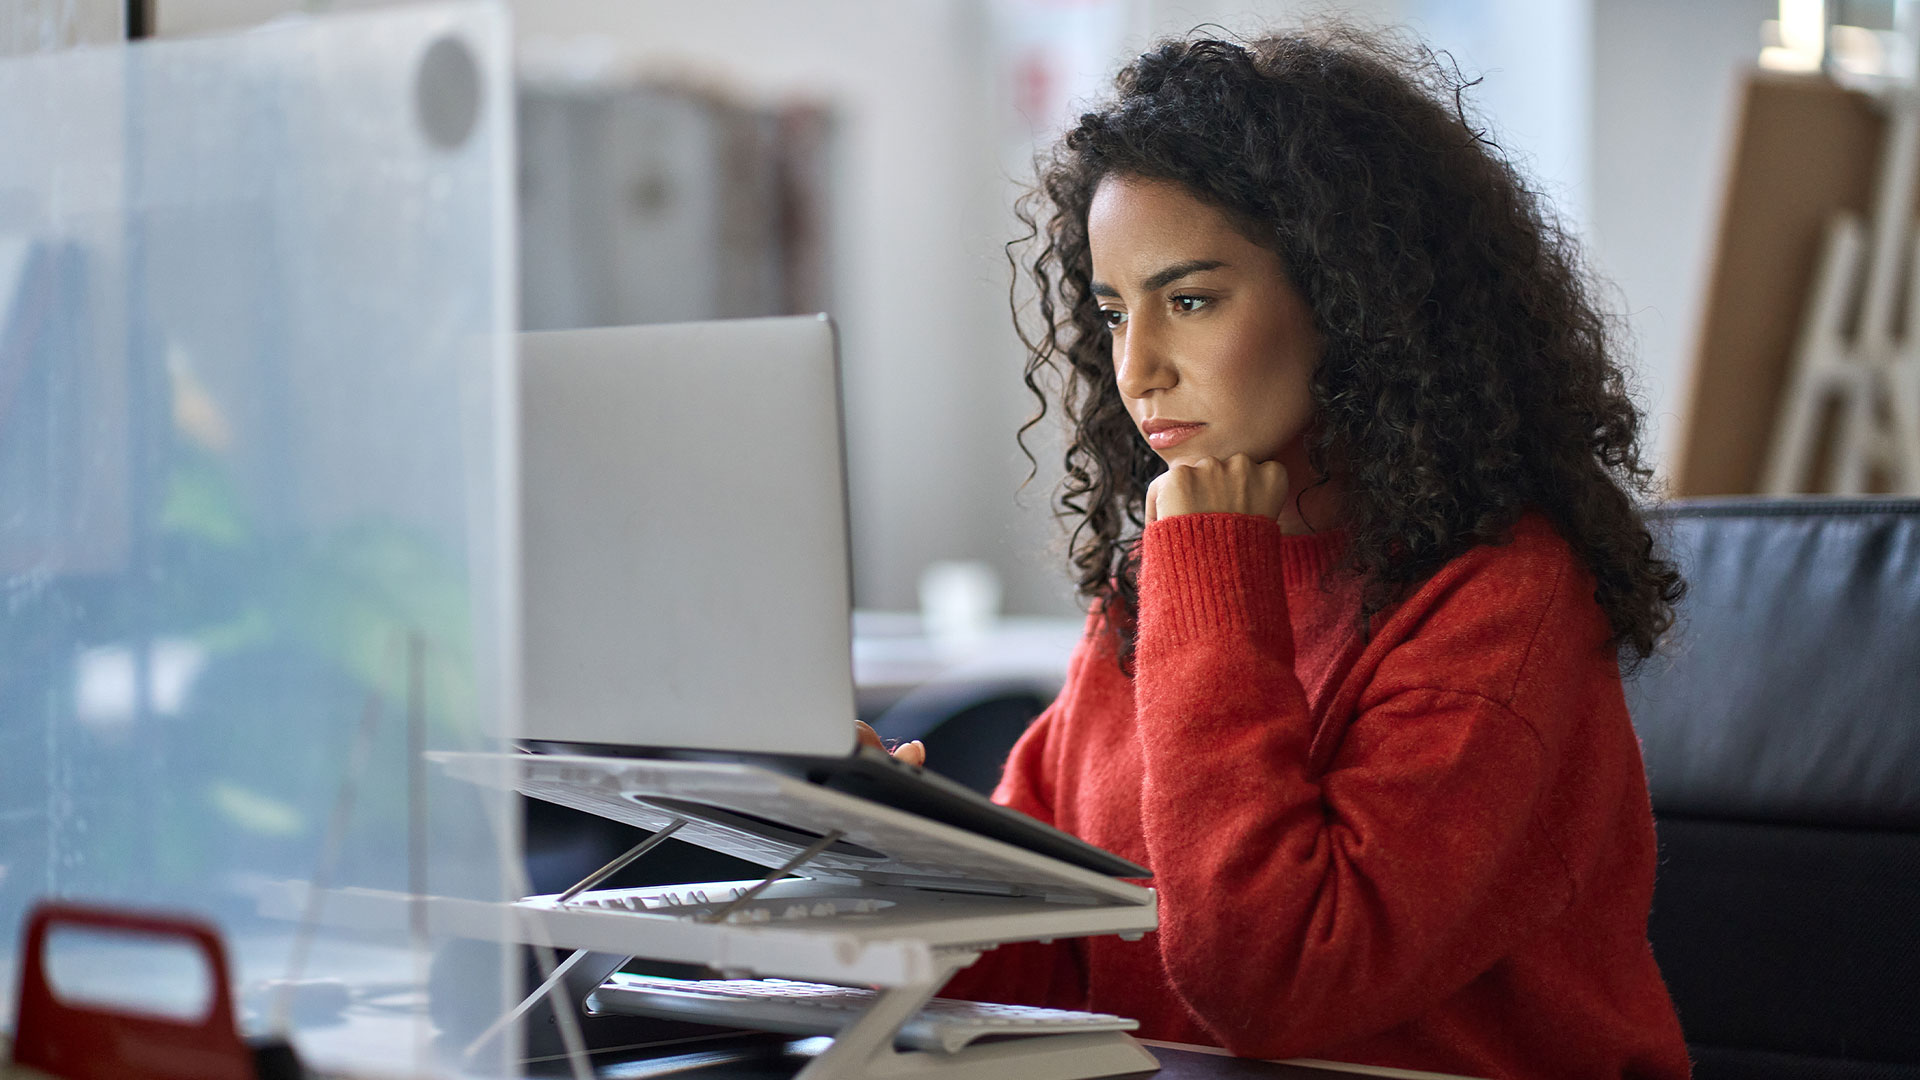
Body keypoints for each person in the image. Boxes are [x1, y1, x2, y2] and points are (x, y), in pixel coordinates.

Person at [920, 27, 1694, 1080]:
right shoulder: (1161, 585)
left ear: (1349, 300)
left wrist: (1209, 574)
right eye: (1112, 312)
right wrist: (893, 862)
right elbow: (1056, 967)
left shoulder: (1505, 600)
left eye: (1189, 300)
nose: (1136, 367)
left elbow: (1273, 981)